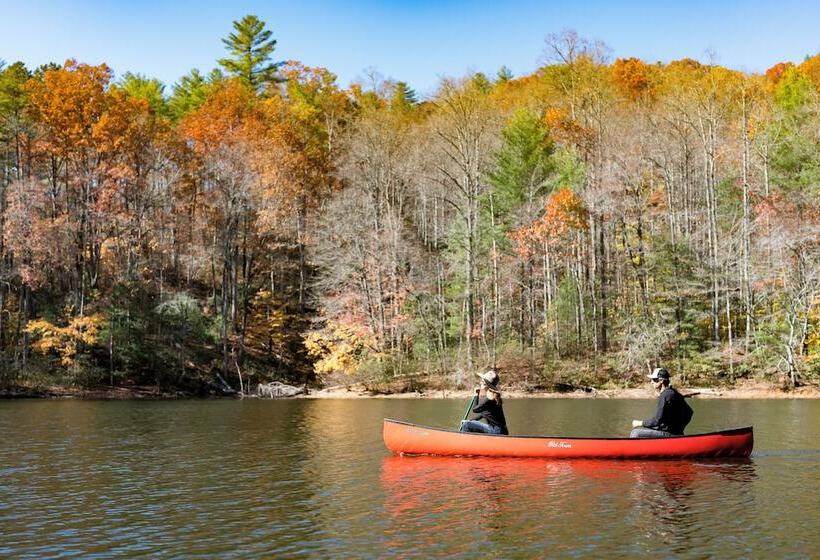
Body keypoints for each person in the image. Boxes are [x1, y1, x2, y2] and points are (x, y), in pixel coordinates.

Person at [630, 367, 693, 438]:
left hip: (669, 434)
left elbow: (657, 420)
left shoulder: (665, 396)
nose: (651, 382)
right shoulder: (674, 393)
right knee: (650, 429)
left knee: (635, 433)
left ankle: (632, 449)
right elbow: (690, 412)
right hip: (675, 433)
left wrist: (640, 423)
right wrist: (679, 429)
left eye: (654, 380)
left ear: (661, 380)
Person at [459, 370, 509, 435]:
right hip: (503, 431)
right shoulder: (493, 395)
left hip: (496, 431)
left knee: (466, 425)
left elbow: (475, 409)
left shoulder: (489, 398)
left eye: (482, 381)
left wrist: (476, 395)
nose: (480, 382)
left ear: (486, 384)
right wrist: (470, 420)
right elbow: (483, 414)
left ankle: (462, 442)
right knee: (468, 423)